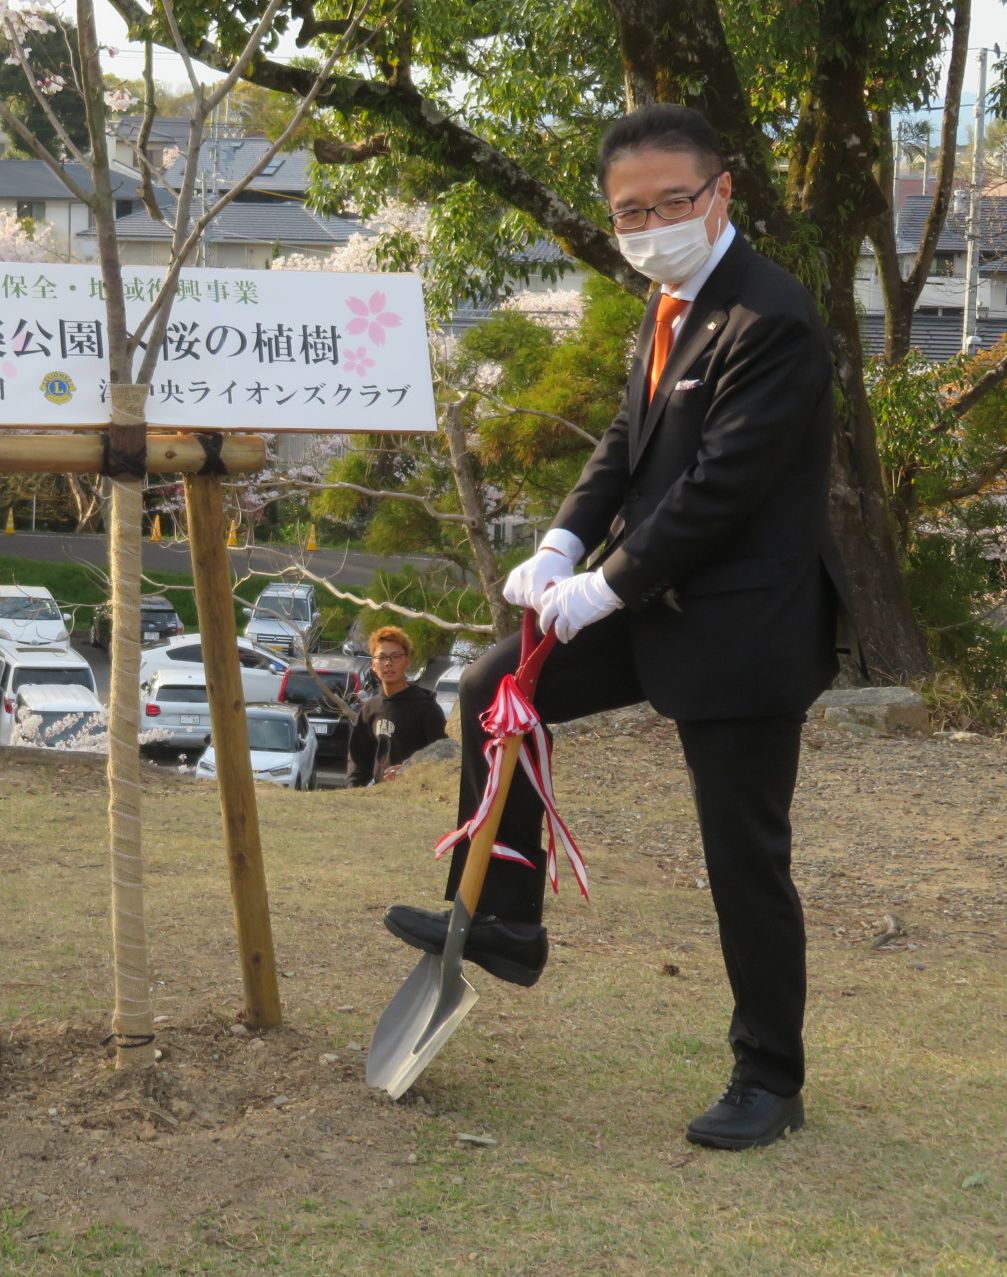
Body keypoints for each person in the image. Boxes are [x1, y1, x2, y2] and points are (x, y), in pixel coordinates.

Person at [383, 105, 843, 1151]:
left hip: (746, 630)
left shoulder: (772, 319)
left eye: (670, 202)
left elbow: (720, 489)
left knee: (743, 856)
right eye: (629, 210)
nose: (649, 224)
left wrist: (607, 582)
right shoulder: (668, 304)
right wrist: (560, 540)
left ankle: (770, 1076)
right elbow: (626, 451)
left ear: (721, 192)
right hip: (655, 599)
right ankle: (507, 915)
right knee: (497, 688)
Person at [345, 626, 447, 786]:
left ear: (407, 662)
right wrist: (354, 794)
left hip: (415, 796)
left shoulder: (427, 708)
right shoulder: (370, 709)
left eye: (396, 656)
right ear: (373, 664)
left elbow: (443, 758)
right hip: (381, 799)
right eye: (382, 657)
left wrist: (410, 770)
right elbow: (358, 761)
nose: (388, 663)